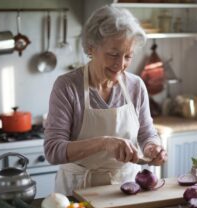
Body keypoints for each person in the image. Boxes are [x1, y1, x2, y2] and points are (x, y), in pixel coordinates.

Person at [44, 5, 167, 196]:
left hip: (125, 189)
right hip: (77, 192)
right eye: (113, 54)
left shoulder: (136, 86)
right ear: (91, 48)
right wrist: (104, 143)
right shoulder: (67, 87)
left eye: (128, 56)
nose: (120, 64)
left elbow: (146, 133)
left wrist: (153, 147)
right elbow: (53, 150)